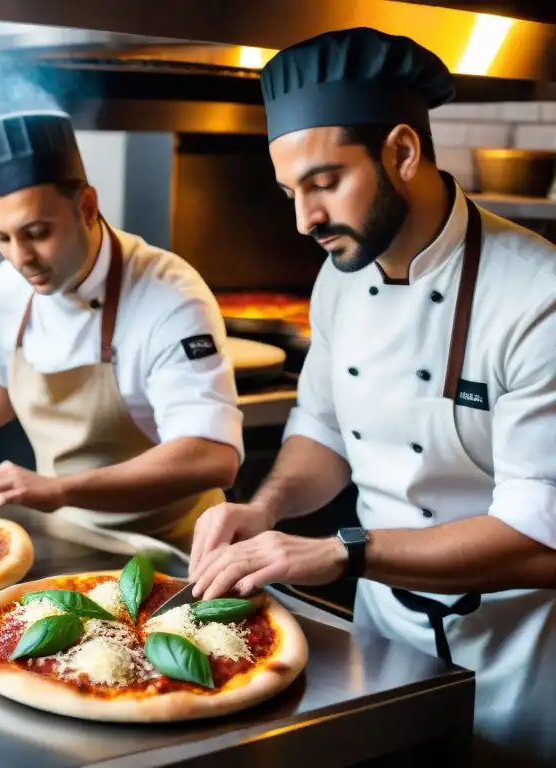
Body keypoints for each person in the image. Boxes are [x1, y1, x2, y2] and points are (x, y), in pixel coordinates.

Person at [187, 27, 556, 764]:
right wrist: (264, 507)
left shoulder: (536, 296)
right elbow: (321, 429)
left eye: (324, 182)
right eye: (291, 192)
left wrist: (340, 553)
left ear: (403, 152)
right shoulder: (338, 279)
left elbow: (541, 537)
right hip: (381, 642)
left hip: (518, 657)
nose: (304, 220)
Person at [0, 109, 243, 550]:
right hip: (70, 536)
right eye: (1, 238)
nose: (20, 259)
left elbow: (212, 457)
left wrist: (59, 489)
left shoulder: (170, 298)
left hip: (175, 549)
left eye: (37, 232)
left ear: (87, 206)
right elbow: (1, 367)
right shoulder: (10, 283)